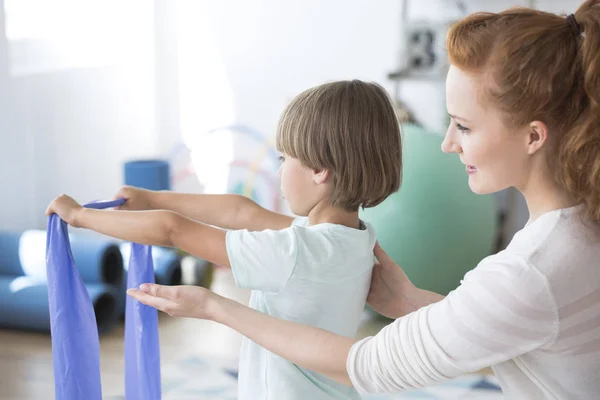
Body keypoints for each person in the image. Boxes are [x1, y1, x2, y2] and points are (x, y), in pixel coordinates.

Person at [122, 1, 600, 399]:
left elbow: (366, 364)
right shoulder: (581, 228)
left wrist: (214, 307)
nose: (447, 143)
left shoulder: (529, 270)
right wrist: (413, 302)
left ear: (534, 136)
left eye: (465, 126)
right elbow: (518, 326)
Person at [46, 80, 403, 399]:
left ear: (319, 171)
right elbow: (244, 213)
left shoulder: (293, 252)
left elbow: (173, 230)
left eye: (285, 158)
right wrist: (154, 198)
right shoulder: (354, 240)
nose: (279, 170)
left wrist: (81, 217)